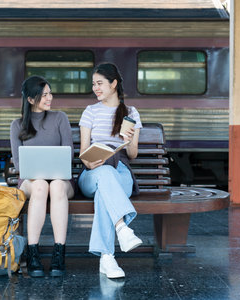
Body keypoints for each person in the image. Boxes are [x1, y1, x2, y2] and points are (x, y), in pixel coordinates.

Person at [78, 63, 143, 279]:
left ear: (113, 84)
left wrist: (129, 140)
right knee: (103, 175)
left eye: (100, 84)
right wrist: (89, 163)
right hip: (93, 172)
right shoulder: (90, 112)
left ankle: (106, 257)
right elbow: (83, 152)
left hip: (121, 171)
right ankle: (122, 228)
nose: (95, 88)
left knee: (103, 195)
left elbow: (132, 154)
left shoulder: (130, 113)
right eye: (94, 84)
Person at [10, 75, 74, 277]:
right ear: (30, 99)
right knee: (39, 185)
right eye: (44, 95)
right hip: (30, 183)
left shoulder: (60, 118)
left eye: (49, 93)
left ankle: (59, 253)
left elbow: (69, 153)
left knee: (54, 185)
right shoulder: (17, 125)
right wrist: (38, 174)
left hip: (61, 181)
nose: (49, 98)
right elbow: (19, 164)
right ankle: (33, 253)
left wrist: (55, 173)